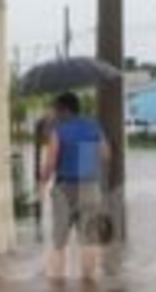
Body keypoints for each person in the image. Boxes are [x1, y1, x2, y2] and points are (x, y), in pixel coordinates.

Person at [39, 92, 111, 280]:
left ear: (64, 110)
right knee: (89, 240)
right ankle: (88, 284)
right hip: (90, 187)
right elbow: (105, 155)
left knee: (59, 241)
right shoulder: (93, 127)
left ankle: (57, 285)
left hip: (64, 188)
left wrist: (42, 182)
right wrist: (85, 162)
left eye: (55, 108)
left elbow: (51, 163)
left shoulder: (59, 131)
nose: (54, 112)